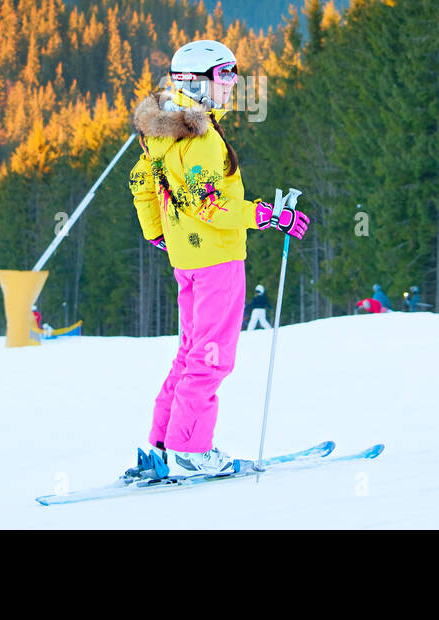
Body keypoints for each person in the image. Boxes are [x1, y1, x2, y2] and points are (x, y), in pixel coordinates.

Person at [124, 39, 309, 479]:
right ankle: (192, 450)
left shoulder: (162, 132)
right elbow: (207, 205)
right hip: (217, 262)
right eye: (225, 75)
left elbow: (141, 182)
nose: (232, 85)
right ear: (199, 82)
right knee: (211, 357)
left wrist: (156, 233)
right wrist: (265, 215)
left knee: (190, 353)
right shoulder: (202, 138)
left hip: (187, 260)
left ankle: (165, 445)